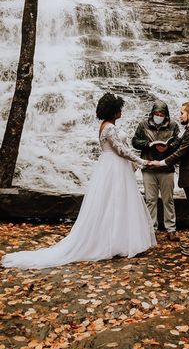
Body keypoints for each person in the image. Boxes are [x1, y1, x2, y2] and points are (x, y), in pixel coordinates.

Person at [1, 93, 159, 270]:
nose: (121, 111)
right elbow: (120, 150)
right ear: (114, 111)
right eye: (119, 109)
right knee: (113, 203)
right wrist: (142, 161)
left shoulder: (107, 126)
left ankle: (117, 241)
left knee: (115, 204)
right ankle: (114, 242)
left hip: (113, 167)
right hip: (114, 168)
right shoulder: (109, 128)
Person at [158, 101, 189, 256]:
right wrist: (167, 147)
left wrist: (161, 162)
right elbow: (180, 146)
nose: (179, 116)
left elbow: (182, 152)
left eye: (181, 113)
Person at [132, 99, 180, 240]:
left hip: (166, 168)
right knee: (150, 200)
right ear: (152, 113)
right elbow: (134, 141)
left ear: (166, 115)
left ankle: (171, 229)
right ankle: (150, 229)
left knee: (168, 200)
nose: (159, 115)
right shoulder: (143, 125)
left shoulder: (173, 125)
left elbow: (178, 142)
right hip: (149, 167)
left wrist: (168, 147)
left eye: (161, 113)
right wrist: (148, 144)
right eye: (156, 113)